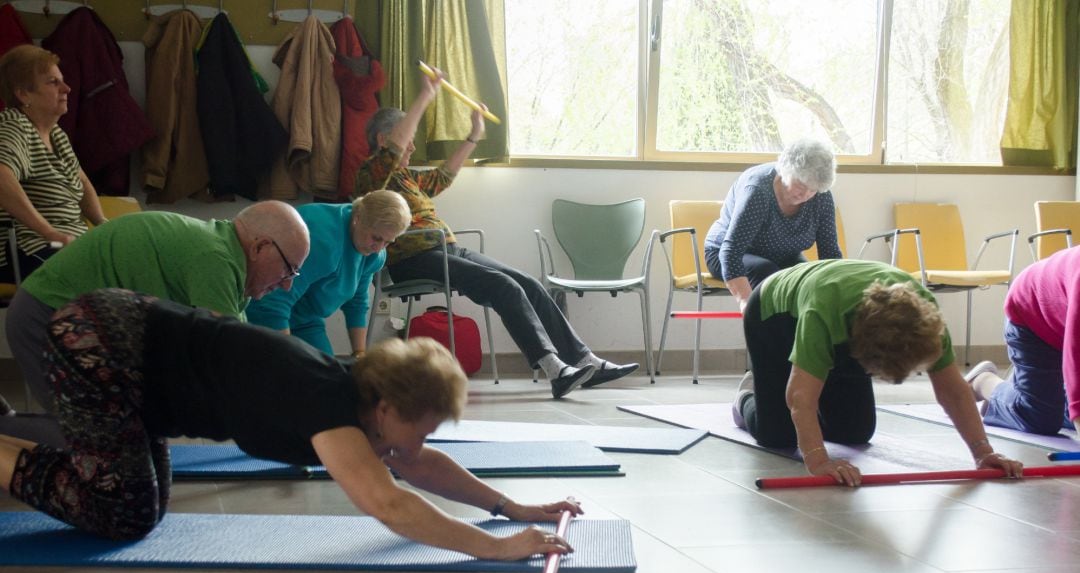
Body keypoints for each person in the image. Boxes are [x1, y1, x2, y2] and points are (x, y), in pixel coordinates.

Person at [0, 288, 581, 559]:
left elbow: (416, 464)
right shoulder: (322, 400)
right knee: (119, 511)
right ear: (386, 410)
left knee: (144, 508)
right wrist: (492, 549)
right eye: (423, 427)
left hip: (141, 362)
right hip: (101, 342)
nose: (423, 442)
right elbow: (390, 505)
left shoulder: (363, 398)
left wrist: (512, 510)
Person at [354, 71, 637, 399]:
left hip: (445, 249)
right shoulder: (373, 174)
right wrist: (426, 97)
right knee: (503, 286)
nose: (412, 145)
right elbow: (399, 146)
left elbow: (443, 177)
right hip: (411, 259)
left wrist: (474, 135)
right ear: (382, 140)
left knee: (527, 283)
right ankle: (554, 368)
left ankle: (584, 360)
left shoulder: (405, 177)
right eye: (406, 137)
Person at [731, 259, 1024, 486]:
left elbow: (954, 392)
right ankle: (747, 398)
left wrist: (982, 452)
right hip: (773, 314)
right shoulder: (823, 312)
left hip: (844, 309)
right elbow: (799, 399)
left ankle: (814, 373)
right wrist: (819, 460)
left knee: (855, 432)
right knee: (778, 434)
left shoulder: (924, 317)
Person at [5, 201, 309, 415]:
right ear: (260, 247)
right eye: (288, 270)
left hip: (69, 321)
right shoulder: (216, 260)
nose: (286, 286)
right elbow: (227, 364)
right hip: (44, 315)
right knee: (87, 441)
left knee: (122, 435)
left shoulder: (228, 257)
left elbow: (242, 350)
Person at [246, 190, 410, 356]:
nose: (379, 248)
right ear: (357, 218)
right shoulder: (323, 241)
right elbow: (272, 303)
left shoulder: (374, 255)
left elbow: (357, 301)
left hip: (306, 319)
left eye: (388, 242)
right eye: (376, 238)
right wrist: (289, 359)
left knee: (327, 374)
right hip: (258, 309)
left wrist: (360, 354)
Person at [0, 44, 107, 279]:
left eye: (62, 80)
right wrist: (51, 233)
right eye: (53, 82)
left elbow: (81, 181)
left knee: (140, 265)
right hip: (32, 246)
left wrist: (103, 225)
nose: (67, 88)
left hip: (69, 243)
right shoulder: (14, 127)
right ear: (23, 94)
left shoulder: (55, 132)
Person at [704, 138, 841, 312]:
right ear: (785, 171)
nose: (805, 194)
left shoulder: (822, 197)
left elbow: (830, 254)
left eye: (813, 190)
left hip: (781, 255)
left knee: (805, 278)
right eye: (800, 185)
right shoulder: (758, 190)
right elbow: (731, 252)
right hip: (725, 253)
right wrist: (746, 303)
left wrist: (837, 295)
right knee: (768, 274)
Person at [967, 245, 1080, 436]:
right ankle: (982, 382)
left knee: (1059, 409)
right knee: (1040, 417)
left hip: (1059, 316)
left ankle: (1030, 389)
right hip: (1031, 314)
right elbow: (1075, 356)